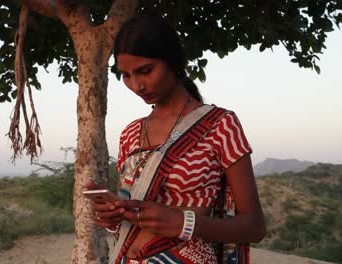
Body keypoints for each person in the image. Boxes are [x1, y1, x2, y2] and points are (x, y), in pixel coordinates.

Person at [85, 14, 266, 264]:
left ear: (173, 62)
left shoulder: (220, 125)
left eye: (145, 70)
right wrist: (112, 215)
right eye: (125, 75)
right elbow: (131, 209)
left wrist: (184, 223)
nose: (136, 85)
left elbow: (254, 226)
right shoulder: (130, 133)